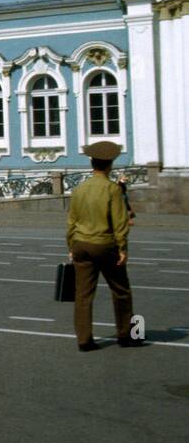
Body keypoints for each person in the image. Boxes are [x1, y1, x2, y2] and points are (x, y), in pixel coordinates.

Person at [69, 141, 141, 351]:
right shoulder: (112, 189)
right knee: (121, 290)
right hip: (104, 244)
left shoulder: (80, 189)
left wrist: (71, 246)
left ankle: (84, 340)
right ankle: (126, 335)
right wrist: (122, 248)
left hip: (81, 243)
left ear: (92, 163)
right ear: (110, 165)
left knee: (83, 294)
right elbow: (120, 223)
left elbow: (71, 221)